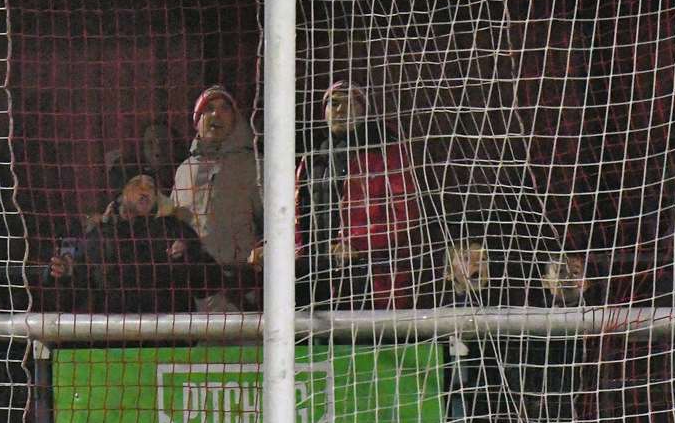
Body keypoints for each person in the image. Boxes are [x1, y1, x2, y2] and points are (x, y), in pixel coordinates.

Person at [253, 80, 421, 308]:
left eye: (349, 103)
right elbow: (290, 215)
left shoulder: (386, 154)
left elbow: (405, 215)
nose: (340, 110)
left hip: (368, 278)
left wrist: (357, 244)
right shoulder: (312, 160)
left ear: (364, 110)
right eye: (333, 103)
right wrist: (272, 244)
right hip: (313, 276)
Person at [45, 173, 215, 313]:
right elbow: (72, 297)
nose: (145, 191)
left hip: (171, 338)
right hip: (117, 340)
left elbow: (207, 287)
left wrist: (188, 258)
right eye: (137, 185)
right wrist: (65, 274)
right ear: (122, 193)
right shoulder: (100, 236)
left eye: (150, 186)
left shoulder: (176, 230)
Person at [171, 85, 261, 269]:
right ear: (197, 121)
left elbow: (275, 224)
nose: (216, 114)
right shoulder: (184, 170)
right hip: (193, 282)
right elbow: (173, 224)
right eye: (208, 108)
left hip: (241, 282)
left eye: (224, 108)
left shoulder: (253, 166)